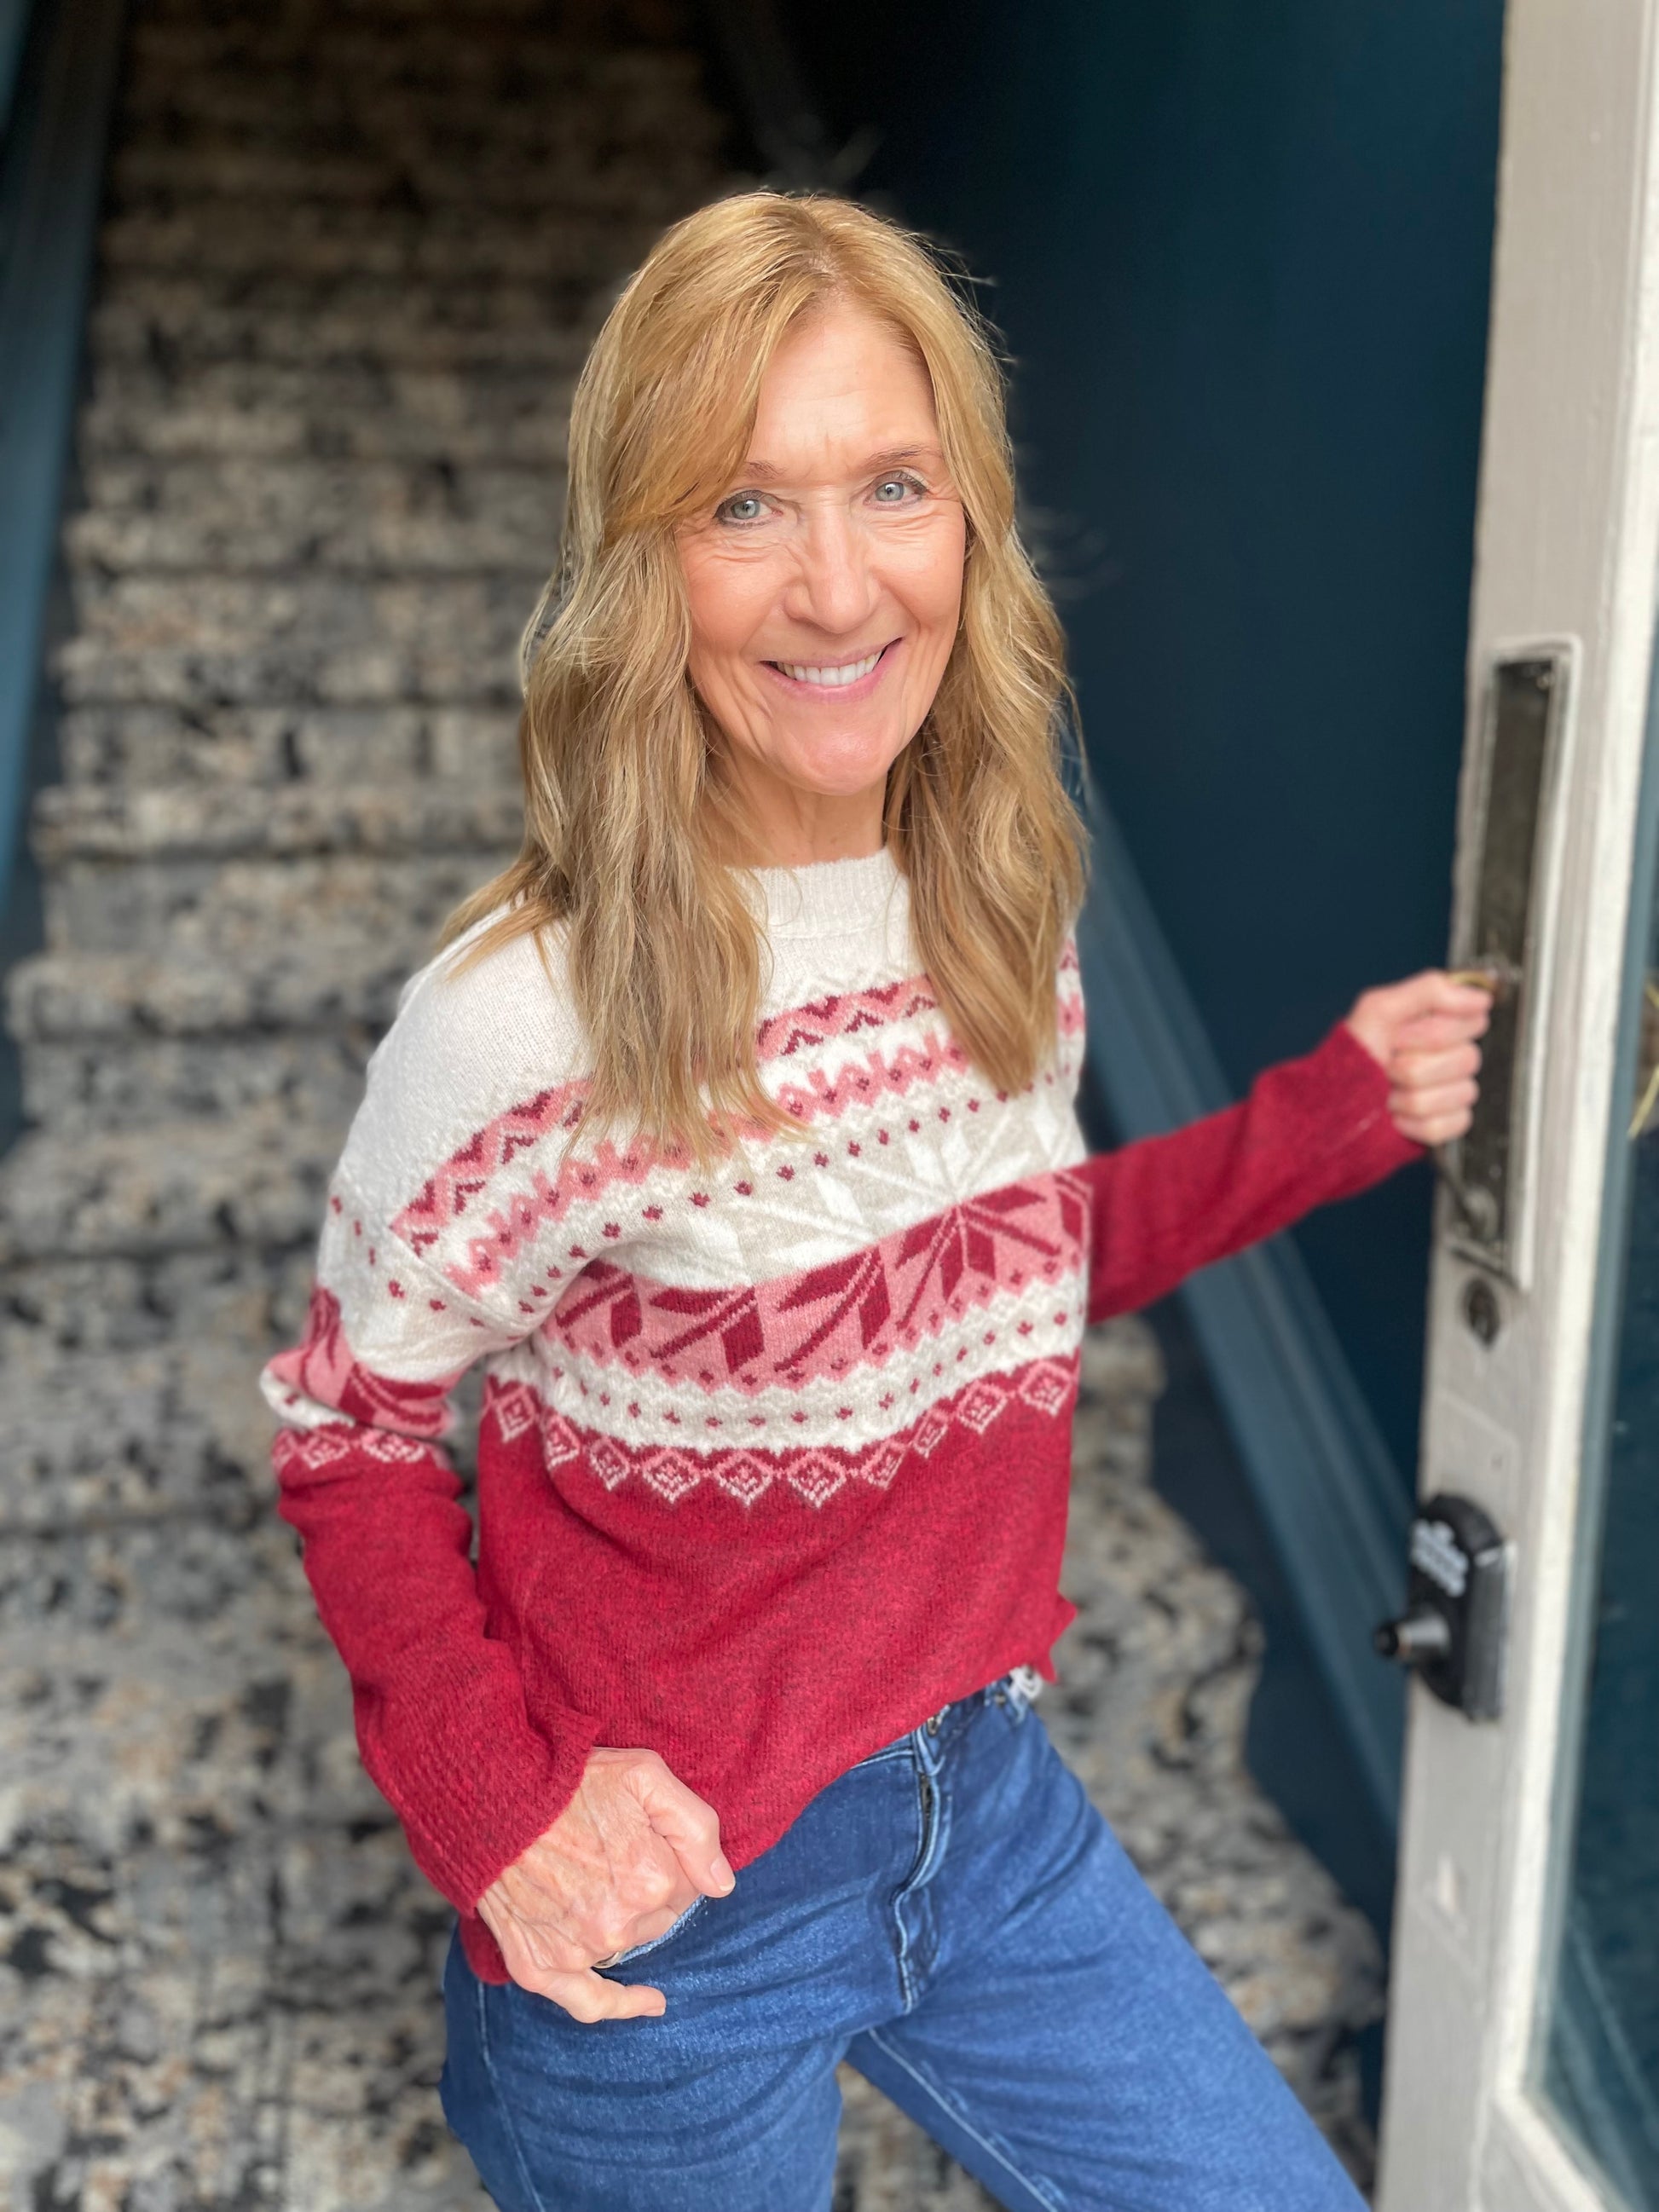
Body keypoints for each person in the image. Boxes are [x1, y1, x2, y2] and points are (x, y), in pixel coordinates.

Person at [260, 192, 1489, 2212]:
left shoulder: (995, 895)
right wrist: (501, 1809)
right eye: (742, 505)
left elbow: (1000, 1266)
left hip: (982, 1814)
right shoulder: (518, 1021)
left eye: (892, 486)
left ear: (969, 518)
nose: (837, 587)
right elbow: (349, 1430)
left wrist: (1331, 1110)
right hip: (677, 1917)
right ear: (640, 562)